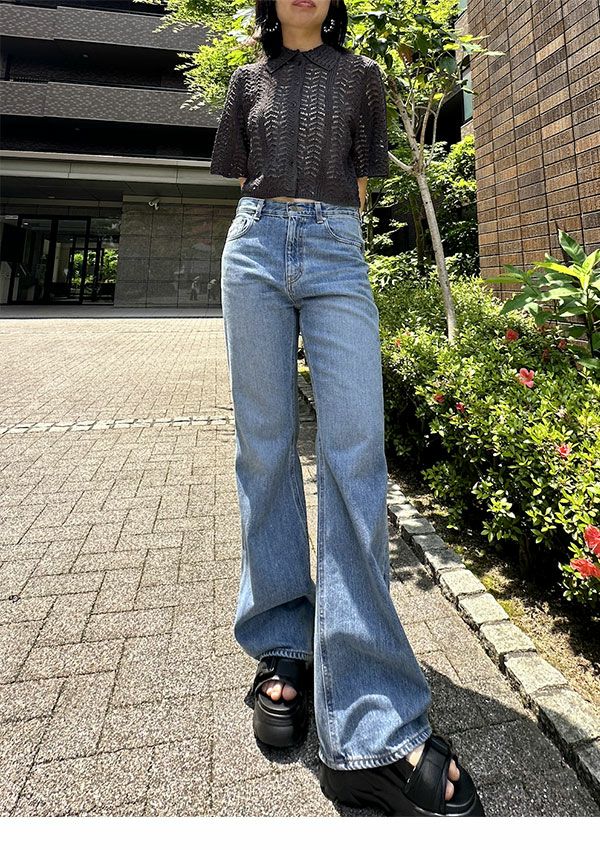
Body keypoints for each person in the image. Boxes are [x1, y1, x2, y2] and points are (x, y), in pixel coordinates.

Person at [209, 0, 485, 817]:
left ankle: (368, 713)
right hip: (253, 248)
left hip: (335, 248)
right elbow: (240, 176)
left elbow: (363, 182)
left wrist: (333, 236)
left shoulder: (363, 76)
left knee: (355, 454)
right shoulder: (246, 79)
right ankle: (283, 646)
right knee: (263, 448)